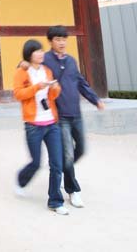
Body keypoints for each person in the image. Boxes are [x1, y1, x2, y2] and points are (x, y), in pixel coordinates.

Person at [42, 25, 104, 208]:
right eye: (58, 39)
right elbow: (29, 68)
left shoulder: (71, 60)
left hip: (75, 113)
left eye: (64, 39)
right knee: (68, 154)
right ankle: (72, 190)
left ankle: (59, 167)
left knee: (81, 149)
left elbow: (81, 83)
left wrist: (95, 100)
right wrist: (23, 64)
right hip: (59, 116)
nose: (62, 43)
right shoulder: (44, 59)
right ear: (51, 41)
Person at [12, 39, 68, 215]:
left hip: (51, 122)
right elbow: (18, 94)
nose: (41, 54)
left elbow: (53, 95)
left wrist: (55, 87)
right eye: (37, 51)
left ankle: (55, 201)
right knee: (36, 162)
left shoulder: (47, 71)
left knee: (56, 164)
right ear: (29, 54)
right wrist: (37, 87)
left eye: (42, 51)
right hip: (33, 125)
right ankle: (21, 180)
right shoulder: (22, 72)